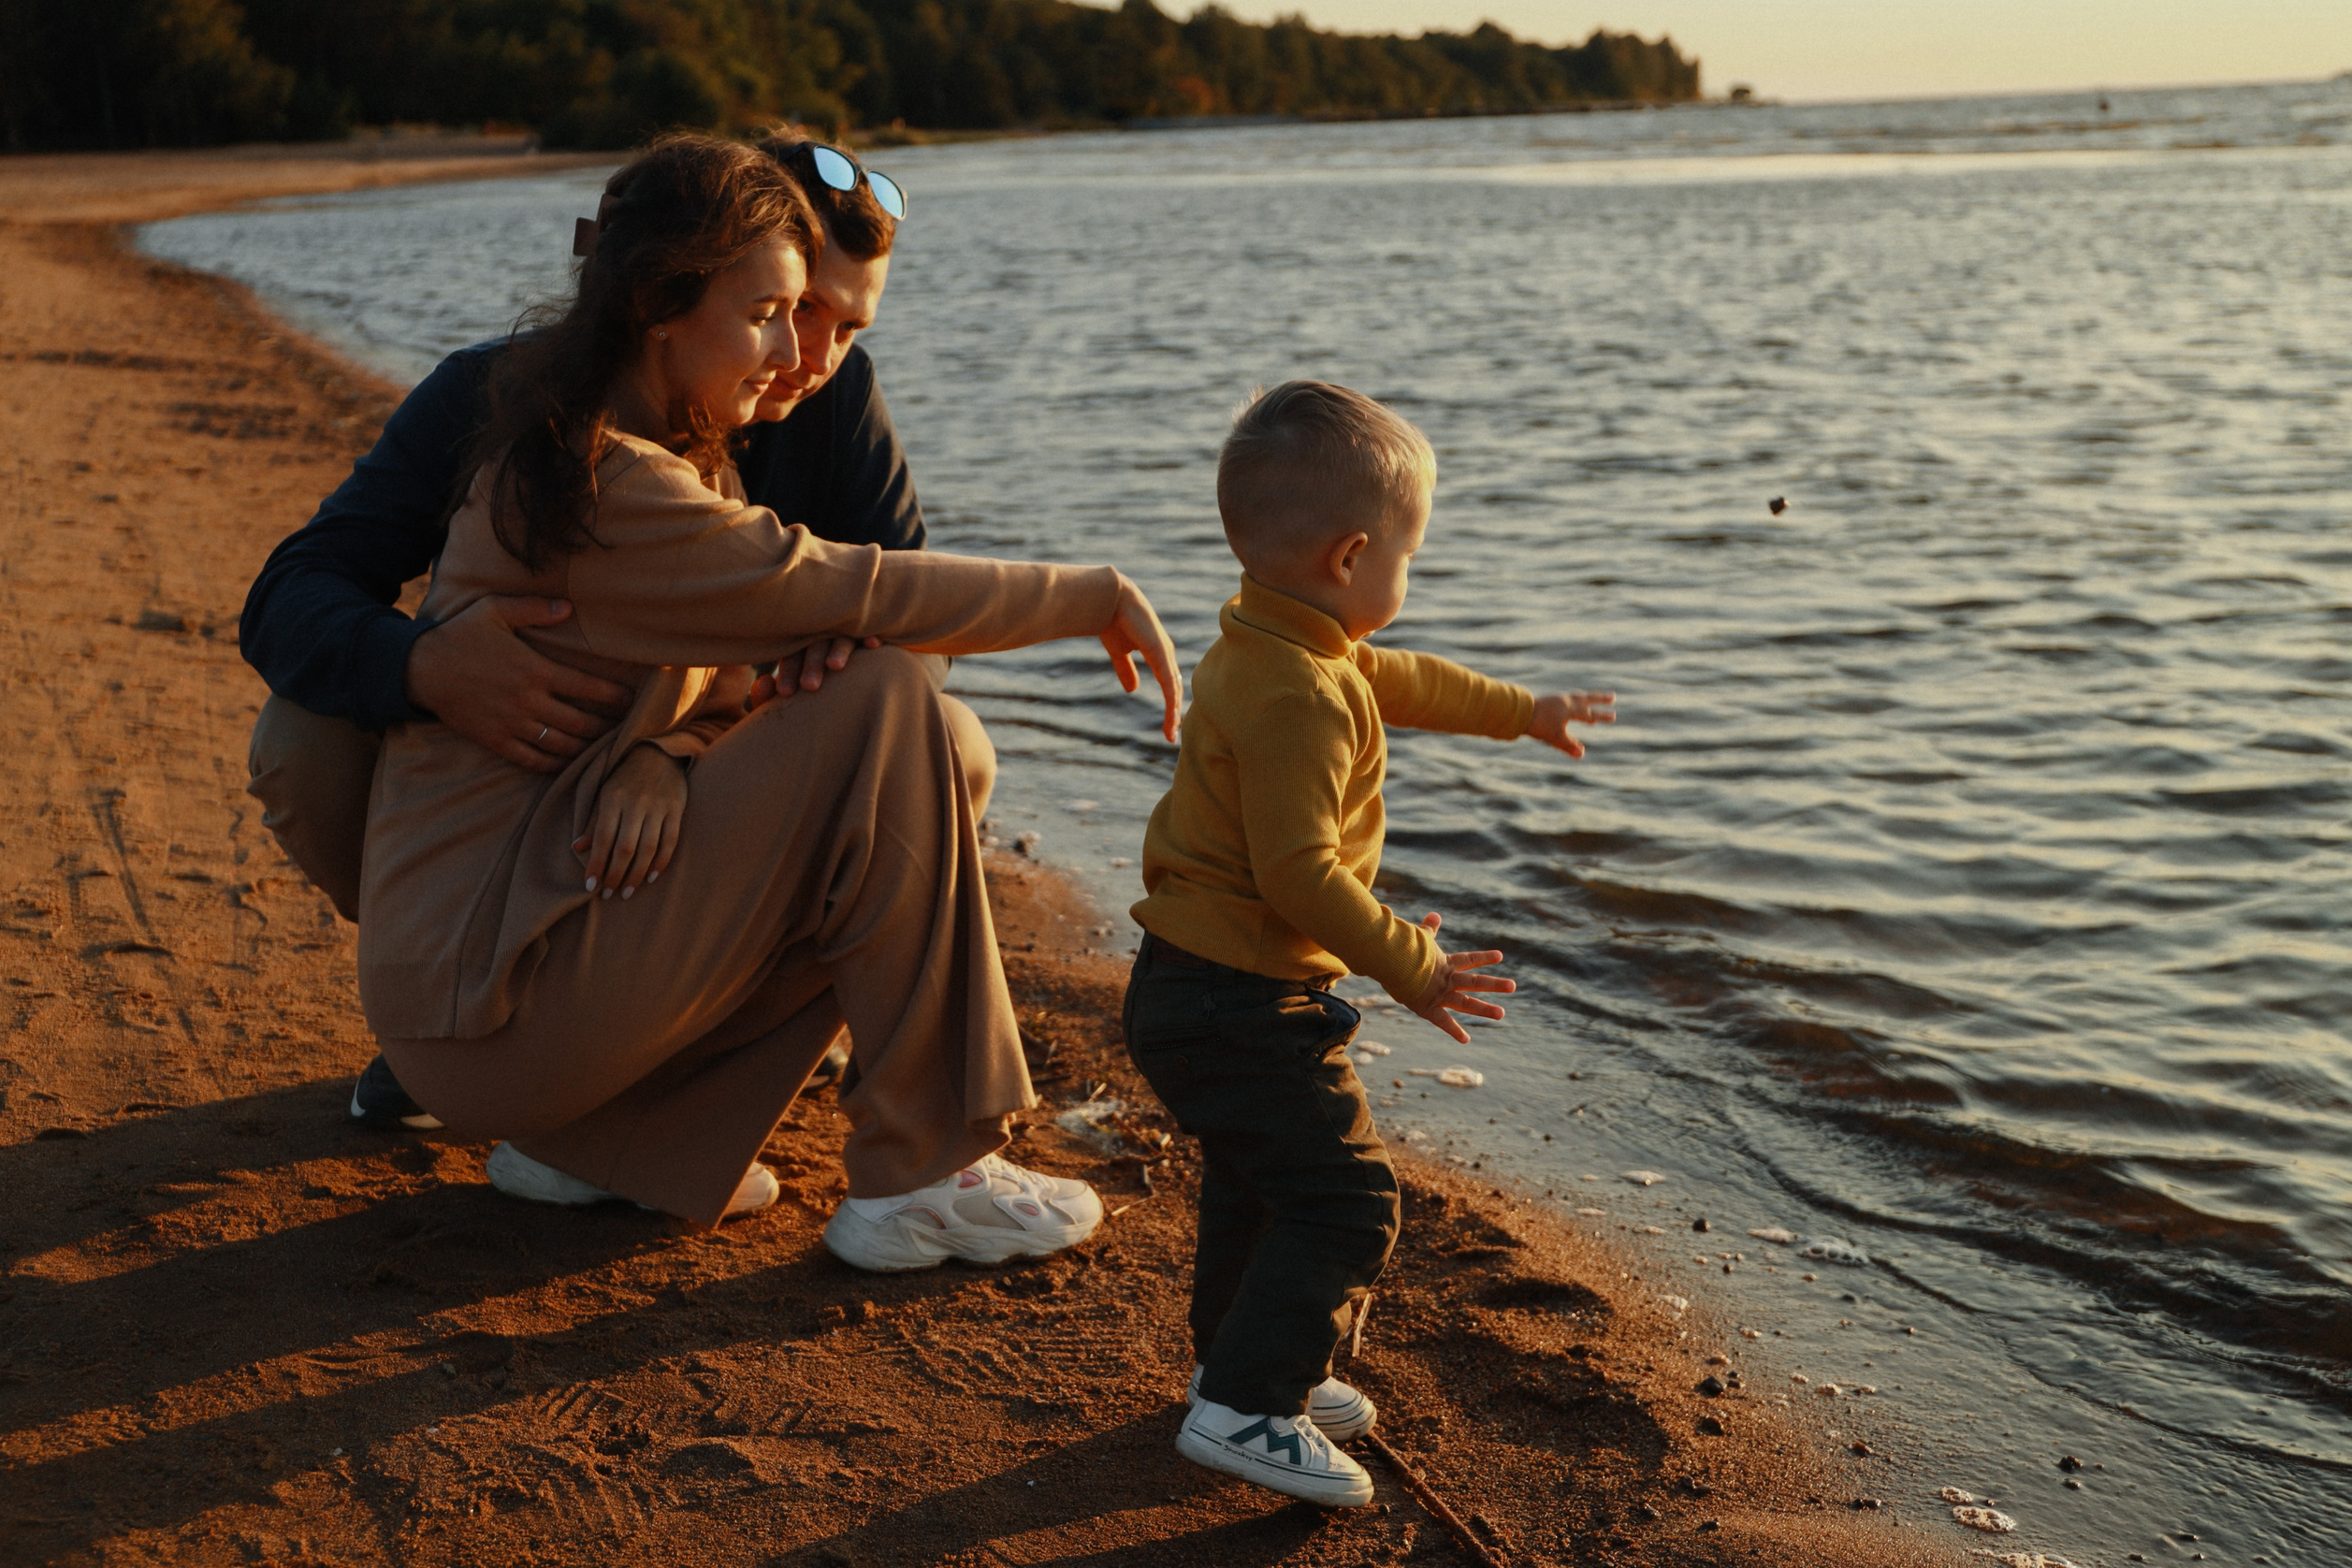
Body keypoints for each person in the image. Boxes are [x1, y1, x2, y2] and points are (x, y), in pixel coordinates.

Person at [351, 134, 1182, 1265]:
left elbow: (732, 668)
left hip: (502, 976)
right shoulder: (603, 479)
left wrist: (674, 751)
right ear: (658, 306)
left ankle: (612, 1141)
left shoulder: (659, 448)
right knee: (889, 695)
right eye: (766, 315)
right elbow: (856, 587)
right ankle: (922, 1170)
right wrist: (1088, 593)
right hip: (484, 1010)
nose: (798, 356)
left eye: (814, 320)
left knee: (920, 744)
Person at [238, 128, 956, 1131]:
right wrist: (424, 665)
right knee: (300, 736)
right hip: (514, 772)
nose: (811, 357)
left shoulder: (834, 410)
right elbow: (291, 590)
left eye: (846, 327)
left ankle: (692, 1032)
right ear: (682, 288)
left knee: (944, 741)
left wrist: (678, 751)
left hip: (701, 779)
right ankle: (462, 1010)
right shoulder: (494, 398)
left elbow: (916, 630)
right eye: (789, 311)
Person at [1122, 382, 1615, 1504]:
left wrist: (1522, 710)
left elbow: (1406, 679)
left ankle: (1240, 1365)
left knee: (1257, 1183)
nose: (1408, 580)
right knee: (1346, 1200)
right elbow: (1298, 873)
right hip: (1237, 1001)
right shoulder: (1300, 691)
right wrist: (1414, 963)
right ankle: (1246, 1407)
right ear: (1352, 557)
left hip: (1196, 990)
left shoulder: (1273, 636)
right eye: (1408, 559)